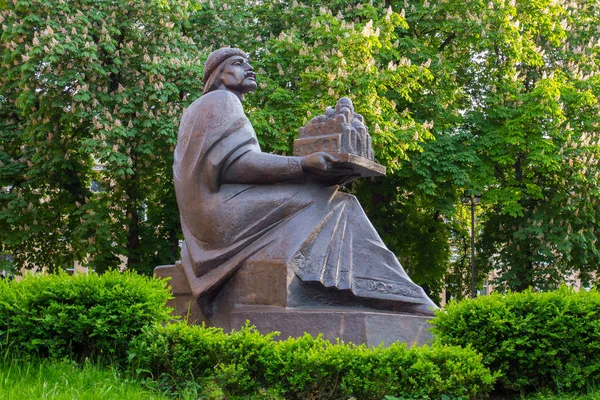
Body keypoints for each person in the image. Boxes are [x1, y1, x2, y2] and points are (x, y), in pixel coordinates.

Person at [173, 47, 437, 315]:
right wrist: (302, 165)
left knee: (321, 190)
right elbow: (235, 165)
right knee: (332, 201)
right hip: (219, 217)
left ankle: (381, 291)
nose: (249, 68)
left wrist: (312, 170)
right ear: (218, 74)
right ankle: (396, 295)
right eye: (239, 63)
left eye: (248, 62)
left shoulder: (203, 107)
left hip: (207, 217)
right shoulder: (221, 101)